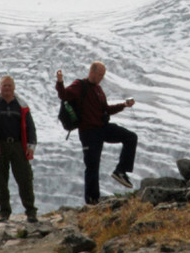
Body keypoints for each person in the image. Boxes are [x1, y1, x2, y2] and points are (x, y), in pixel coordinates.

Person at [55, 62, 137, 205]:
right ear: (91, 72)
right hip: (88, 133)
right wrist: (60, 82)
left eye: (103, 75)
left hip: (103, 128)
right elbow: (64, 95)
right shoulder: (80, 85)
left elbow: (106, 109)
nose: (101, 78)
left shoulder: (98, 89)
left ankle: (121, 171)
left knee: (131, 137)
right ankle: (92, 201)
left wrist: (124, 105)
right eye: (99, 74)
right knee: (92, 166)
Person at [0, 76, 38, 223]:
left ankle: (31, 212)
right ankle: (4, 213)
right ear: (0, 88)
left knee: (25, 179)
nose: (7, 88)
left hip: (18, 146)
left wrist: (31, 146)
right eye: (4, 86)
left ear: (14, 87)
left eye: (9, 86)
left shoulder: (21, 105)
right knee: (0, 181)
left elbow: (30, 127)